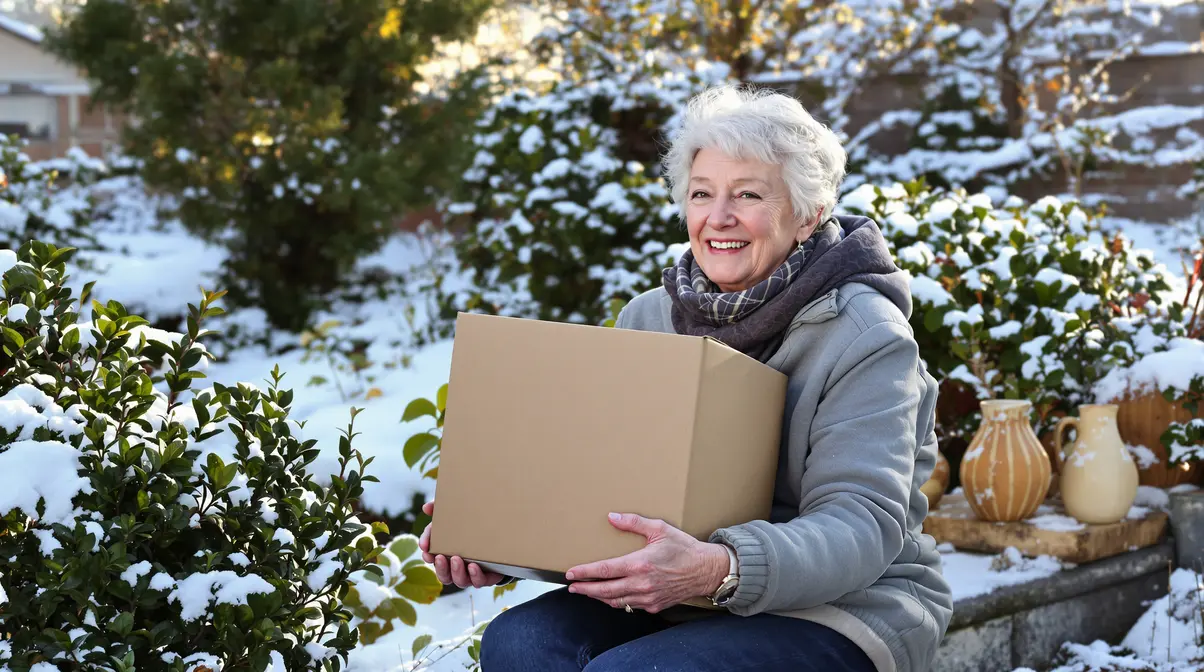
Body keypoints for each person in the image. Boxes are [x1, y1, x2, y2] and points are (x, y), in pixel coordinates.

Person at [418, 84, 953, 672]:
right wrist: (506, 541)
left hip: (843, 606)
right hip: (676, 598)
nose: (718, 217)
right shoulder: (649, 317)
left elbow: (860, 525)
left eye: (747, 194)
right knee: (518, 643)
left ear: (808, 214)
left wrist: (717, 566)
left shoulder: (866, 335)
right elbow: (603, 493)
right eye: (702, 194)